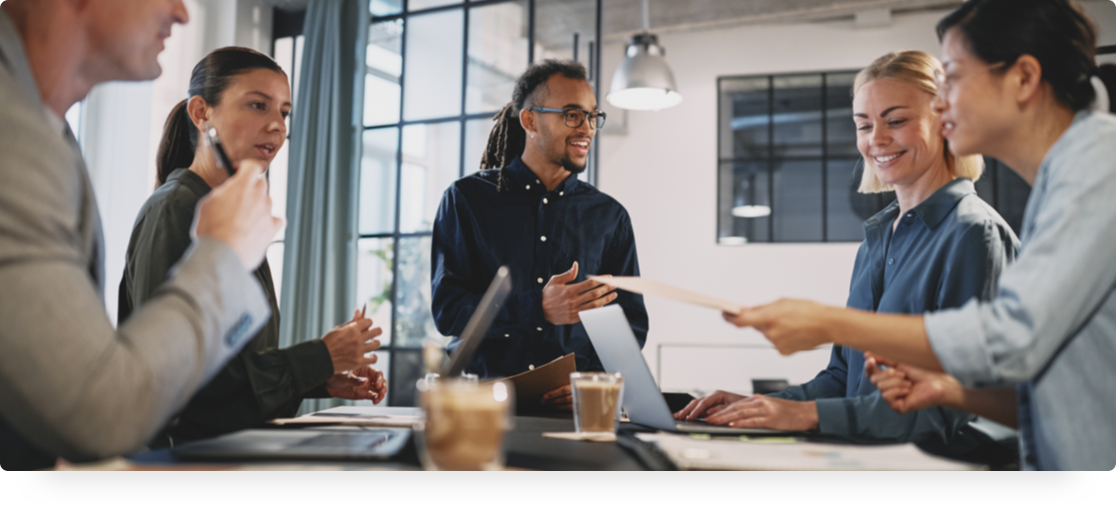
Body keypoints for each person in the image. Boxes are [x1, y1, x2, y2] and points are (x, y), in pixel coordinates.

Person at [724, 0, 1116, 470]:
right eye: (864, 124)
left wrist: (830, 324)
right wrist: (948, 389)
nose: (943, 101)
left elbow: (1011, 338)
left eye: (953, 77)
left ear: (1024, 78)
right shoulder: (1062, 180)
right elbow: (1044, 387)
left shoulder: (1097, 166)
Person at [676, 51, 1019, 462]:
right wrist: (759, 405)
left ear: (944, 121)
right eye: (863, 124)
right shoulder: (877, 239)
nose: (876, 138)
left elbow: (950, 410)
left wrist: (804, 415)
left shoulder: (973, 234)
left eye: (896, 121)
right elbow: (843, 377)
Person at [0, 0, 282, 470]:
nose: (181, 12)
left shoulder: (48, 134)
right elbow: (100, 409)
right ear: (201, 114)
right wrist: (225, 255)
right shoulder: (15, 137)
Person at [119, 47, 387, 447]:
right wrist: (319, 357)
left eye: (284, 112)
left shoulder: (232, 216)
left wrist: (321, 378)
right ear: (201, 112)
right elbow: (187, 391)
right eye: (258, 105)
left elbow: (234, 377)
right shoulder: (176, 209)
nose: (278, 126)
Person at [431, 60, 648, 411]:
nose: (588, 128)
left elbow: (629, 325)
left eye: (593, 116)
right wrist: (537, 308)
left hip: (572, 415)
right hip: (478, 408)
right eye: (573, 115)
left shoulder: (611, 217)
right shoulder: (466, 200)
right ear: (530, 120)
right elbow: (449, 311)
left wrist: (595, 379)